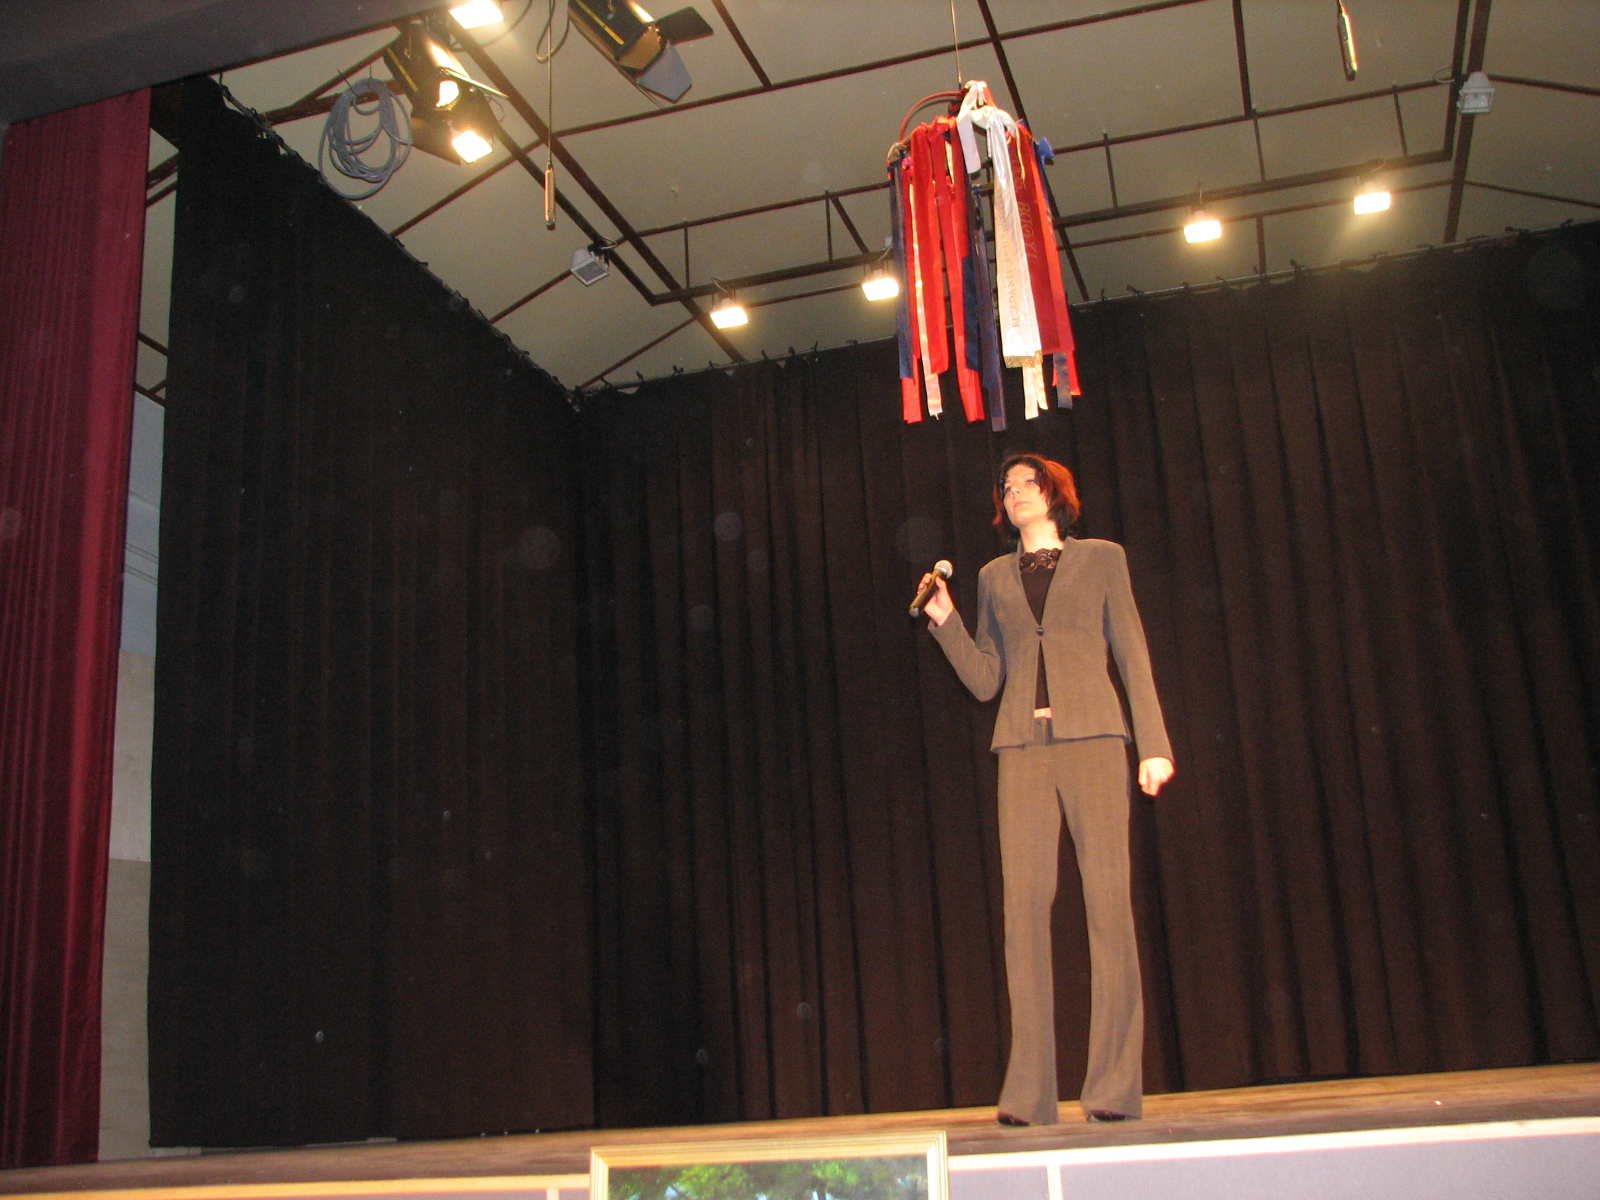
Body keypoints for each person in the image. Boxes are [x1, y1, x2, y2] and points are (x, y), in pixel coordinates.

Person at [920, 454, 1174, 1125]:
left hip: (1094, 739)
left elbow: (1132, 651)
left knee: (1108, 908)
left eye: (1027, 484)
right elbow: (986, 680)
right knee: (1024, 914)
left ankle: (1113, 1088)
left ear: (1055, 492)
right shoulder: (992, 576)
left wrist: (1154, 745)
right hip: (1022, 748)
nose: (1015, 493)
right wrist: (946, 622)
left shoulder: (1103, 559)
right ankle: (1030, 1094)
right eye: (1006, 488)